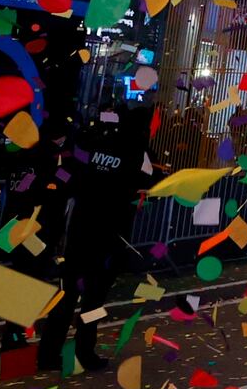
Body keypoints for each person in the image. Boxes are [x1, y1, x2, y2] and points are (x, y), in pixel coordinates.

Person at [37, 101, 158, 374]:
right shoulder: (135, 150)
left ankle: (49, 354)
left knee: (68, 294)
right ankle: (83, 352)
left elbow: (71, 174)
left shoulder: (92, 143)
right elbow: (143, 183)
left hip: (81, 228)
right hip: (108, 234)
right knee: (93, 299)